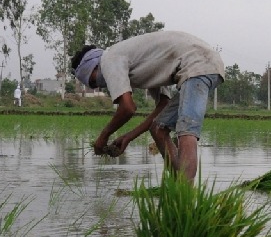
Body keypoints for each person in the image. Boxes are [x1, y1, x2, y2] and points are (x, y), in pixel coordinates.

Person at [71, 30, 225, 180]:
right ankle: (177, 187)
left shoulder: (108, 59)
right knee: (158, 129)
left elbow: (128, 108)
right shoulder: (144, 64)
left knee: (186, 129)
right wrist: (129, 137)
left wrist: (103, 137)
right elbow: (163, 104)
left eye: (92, 81)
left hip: (197, 64)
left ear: (93, 66)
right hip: (202, 62)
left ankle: (186, 196)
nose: (97, 85)